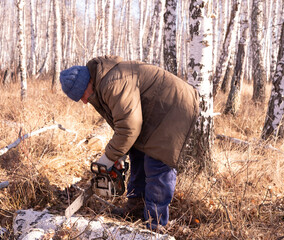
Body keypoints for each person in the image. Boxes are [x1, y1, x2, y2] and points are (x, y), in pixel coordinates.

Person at [60, 55, 199, 230]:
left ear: (87, 84)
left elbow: (129, 126)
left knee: (157, 164)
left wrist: (108, 158)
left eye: (82, 95)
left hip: (174, 107)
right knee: (137, 153)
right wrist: (119, 155)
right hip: (154, 111)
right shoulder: (103, 81)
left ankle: (155, 225)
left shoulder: (113, 82)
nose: (84, 101)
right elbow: (124, 123)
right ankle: (136, 207)